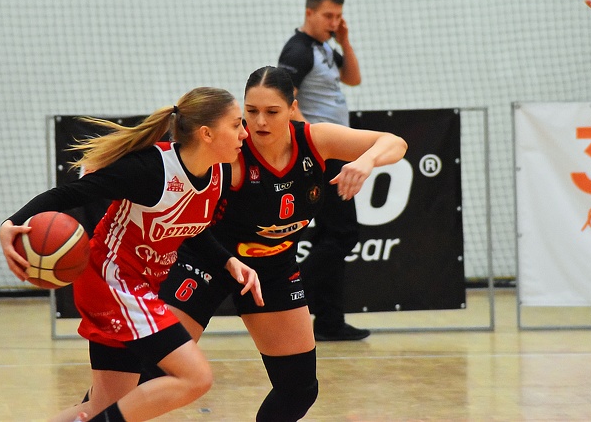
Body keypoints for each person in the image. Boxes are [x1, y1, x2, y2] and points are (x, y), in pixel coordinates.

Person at [154, 66, 407, 421]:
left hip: (272, 269)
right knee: (149, 374)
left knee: (299, 389)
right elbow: (174, 189)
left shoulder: (316, 140)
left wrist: (366, 160)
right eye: (251, 111)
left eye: (272, 111)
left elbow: (395, 143)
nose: (259, 122)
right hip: (207, 262)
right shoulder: (231, 151)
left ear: (292, 108)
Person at [0, 87, 264, 422]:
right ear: (206, 133)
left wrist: (228, 260)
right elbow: (70, 193)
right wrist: (12, 222)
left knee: (100, 406)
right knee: (196, 377)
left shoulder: (218, 174)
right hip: (113, 283)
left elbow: (191, 228)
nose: (245, 133)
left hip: (135, 286)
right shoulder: (150, 169)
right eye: (237, 124)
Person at [278, 0, 367, 341]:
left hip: (334, 152)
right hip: (321, 153)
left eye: (338, 16)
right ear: (309, 13)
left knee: (331, 234)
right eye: (328, 16)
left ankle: (330, 321)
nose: (334, 22)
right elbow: (283, 98)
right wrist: (308, 139)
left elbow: (353, 79)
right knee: (344, 233)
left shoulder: (326, 47)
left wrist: (345, 40)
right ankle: (285, 293)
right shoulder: (298, 50)